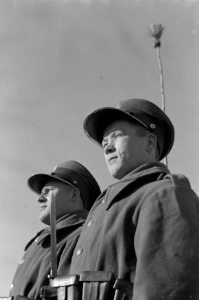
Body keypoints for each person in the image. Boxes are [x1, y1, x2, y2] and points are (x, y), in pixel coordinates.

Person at [70, 98, 199, 300]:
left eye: (116, 137)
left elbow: (170, 291)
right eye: (104, 143)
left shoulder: (163, 193)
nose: (107, 147)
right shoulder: (103, 209)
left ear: (150, 142)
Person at [9, 160, 101, 300]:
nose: (40, 198)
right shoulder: (39, 242)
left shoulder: (85, 237)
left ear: (73, 194)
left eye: (48, 191)